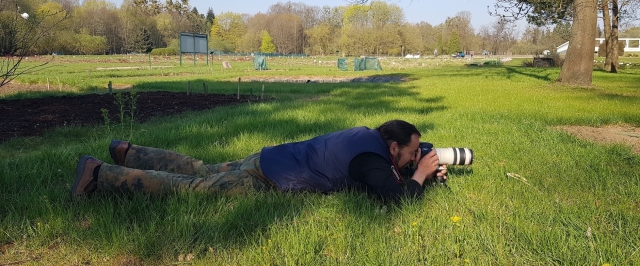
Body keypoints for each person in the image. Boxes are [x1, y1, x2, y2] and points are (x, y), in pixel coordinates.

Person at [71, 120, 446, 202]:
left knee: (202, 167)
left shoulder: (369, 135)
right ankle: (99, 174)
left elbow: (408, 153)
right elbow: (397, 199)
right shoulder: (370, 161)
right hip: (270, 176)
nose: (418, 155)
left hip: (269, 155)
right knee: (197, 188)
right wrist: (421, 176)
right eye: (413, 152)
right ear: (392, 148)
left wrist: (422, 160)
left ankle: (128, 150)